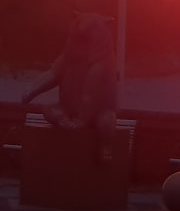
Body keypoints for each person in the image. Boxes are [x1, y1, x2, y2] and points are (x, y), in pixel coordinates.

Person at [21, 12, 118, 162]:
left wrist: (83, 120)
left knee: (106, 121)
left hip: (97, 114)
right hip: (68, 109)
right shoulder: (68, 57)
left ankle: (106, 147)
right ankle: (63, 121)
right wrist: (31, 91)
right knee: (49, 109)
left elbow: (90, 97)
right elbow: (52, 75)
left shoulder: (101, 66)